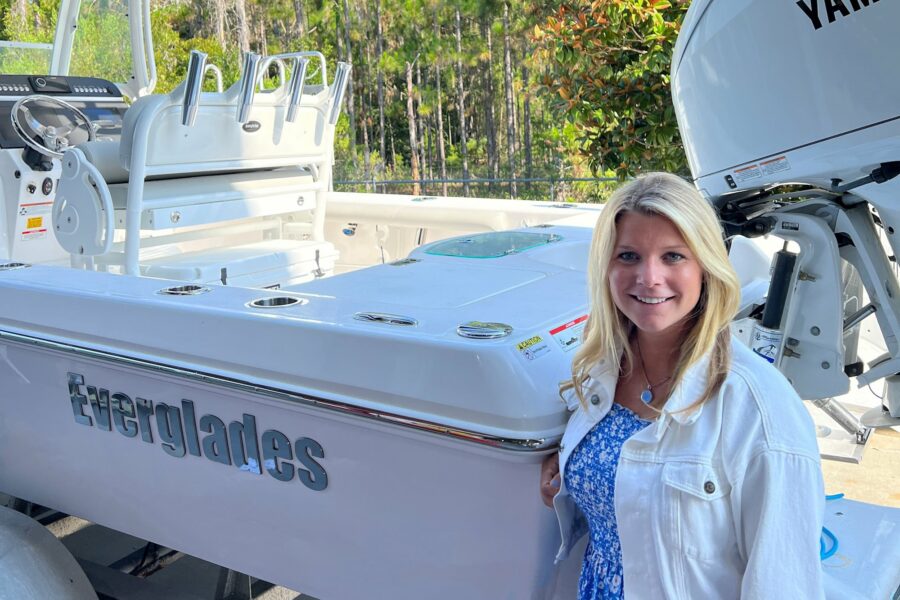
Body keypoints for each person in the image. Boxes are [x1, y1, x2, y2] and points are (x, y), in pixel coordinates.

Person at [539, 172, 825, 598]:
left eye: (673, 256)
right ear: (606, 266)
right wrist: (568, 462)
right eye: (629, 256)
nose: (649, 278)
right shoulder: (600, 367)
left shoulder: (759, 408)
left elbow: (783, 584)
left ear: (705, 267)